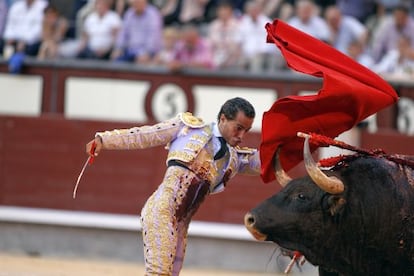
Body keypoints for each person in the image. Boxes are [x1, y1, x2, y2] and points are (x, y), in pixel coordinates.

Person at [85, 97, 261, 275]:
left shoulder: (235, 158)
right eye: (238, 128)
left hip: (180, 228)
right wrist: (104, 139)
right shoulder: (188, 129)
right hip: (161, 212)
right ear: (223, 118)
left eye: (246, 131)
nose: (241, 136)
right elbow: (145, 135)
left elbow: (267, 162)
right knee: (159, 273)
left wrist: (289, 143)